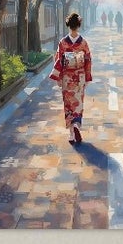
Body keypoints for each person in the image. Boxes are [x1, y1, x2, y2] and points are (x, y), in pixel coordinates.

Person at [50, 11, 93, 145]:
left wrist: (58, 77)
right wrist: (87, 77)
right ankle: (76, 125)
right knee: (78, 103)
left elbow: (58, 60)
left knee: (68, 104)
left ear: (69, 25)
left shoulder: (63, 42)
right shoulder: (83, 43)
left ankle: (71, 132)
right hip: (79, 76)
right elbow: (87, 60)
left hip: (67, 77)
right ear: (79, 25)